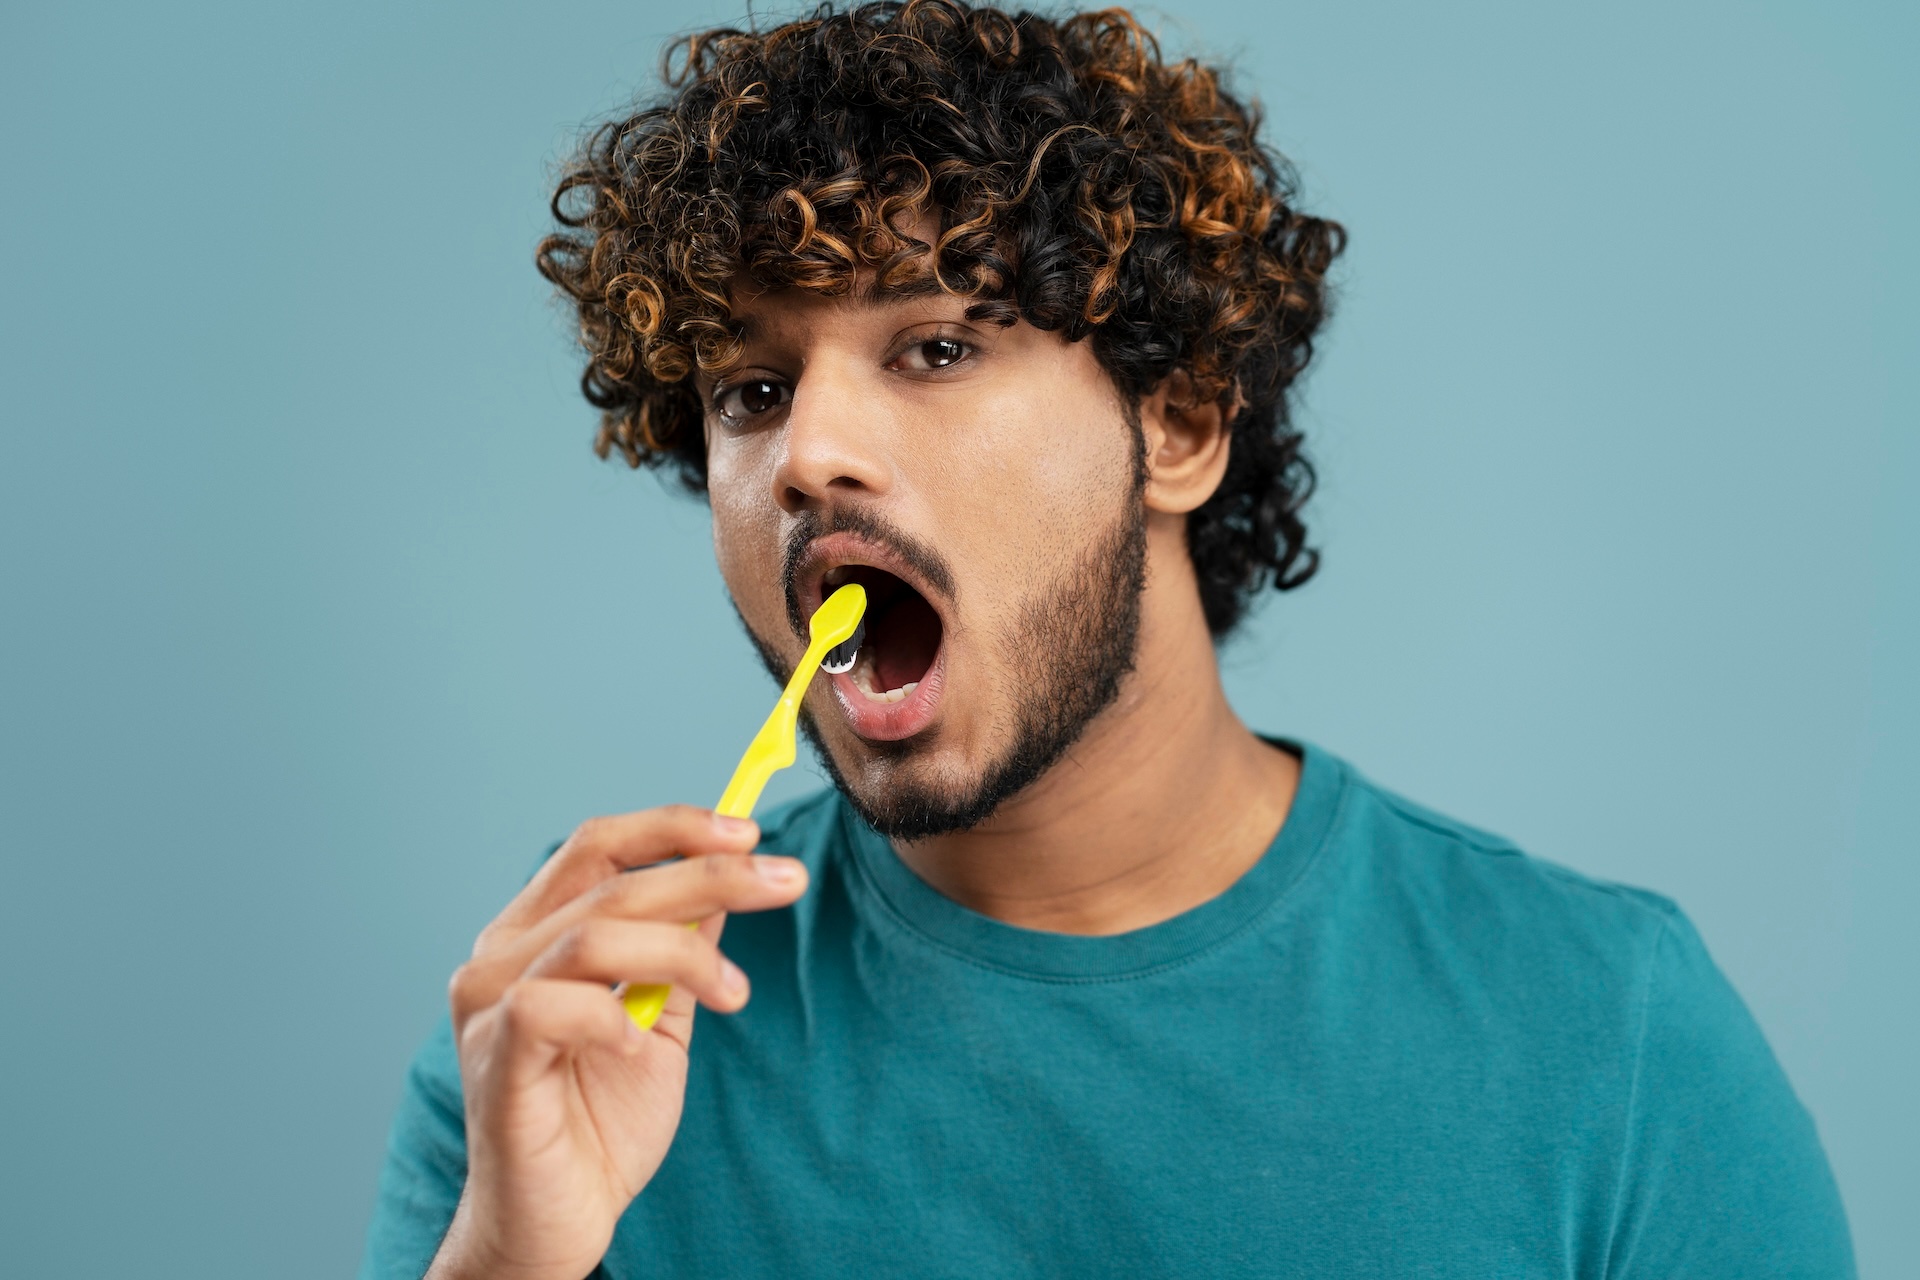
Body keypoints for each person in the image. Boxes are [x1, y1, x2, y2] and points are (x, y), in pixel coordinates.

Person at [361, 3, 1853, 1276]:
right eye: (750, 394)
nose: (807, 454)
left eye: (936, 346)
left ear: (1180, 425)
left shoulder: (1611, 1041)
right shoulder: (564, 1049)